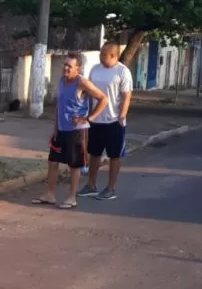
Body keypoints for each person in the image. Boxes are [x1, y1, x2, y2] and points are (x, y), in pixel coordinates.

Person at [32, 53, 108, 210]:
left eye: (69, 66)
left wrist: (88, 119)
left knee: (74, 165)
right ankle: (49, 194)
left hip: (76, 131)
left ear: (77, 69)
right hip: (61, 129)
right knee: (53, 162)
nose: (65, 68)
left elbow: (103, 99)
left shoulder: (82, 82)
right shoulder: (61, 80)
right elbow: (60, 107)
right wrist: (55, 130)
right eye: (64, 65)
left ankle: (72, 197)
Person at [79, 42, 134, 201]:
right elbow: (89, 92)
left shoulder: (122, 72)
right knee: (94, 154)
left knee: (114, 155)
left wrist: (121, 117)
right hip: (96, 120)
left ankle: (111, 188)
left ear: (113, 55)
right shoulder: (95, 69)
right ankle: (91, 185)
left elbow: (126, 97)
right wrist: (89, 114)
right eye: (100, 53)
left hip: (113, 122)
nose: (100, 56)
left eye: (104, 54)